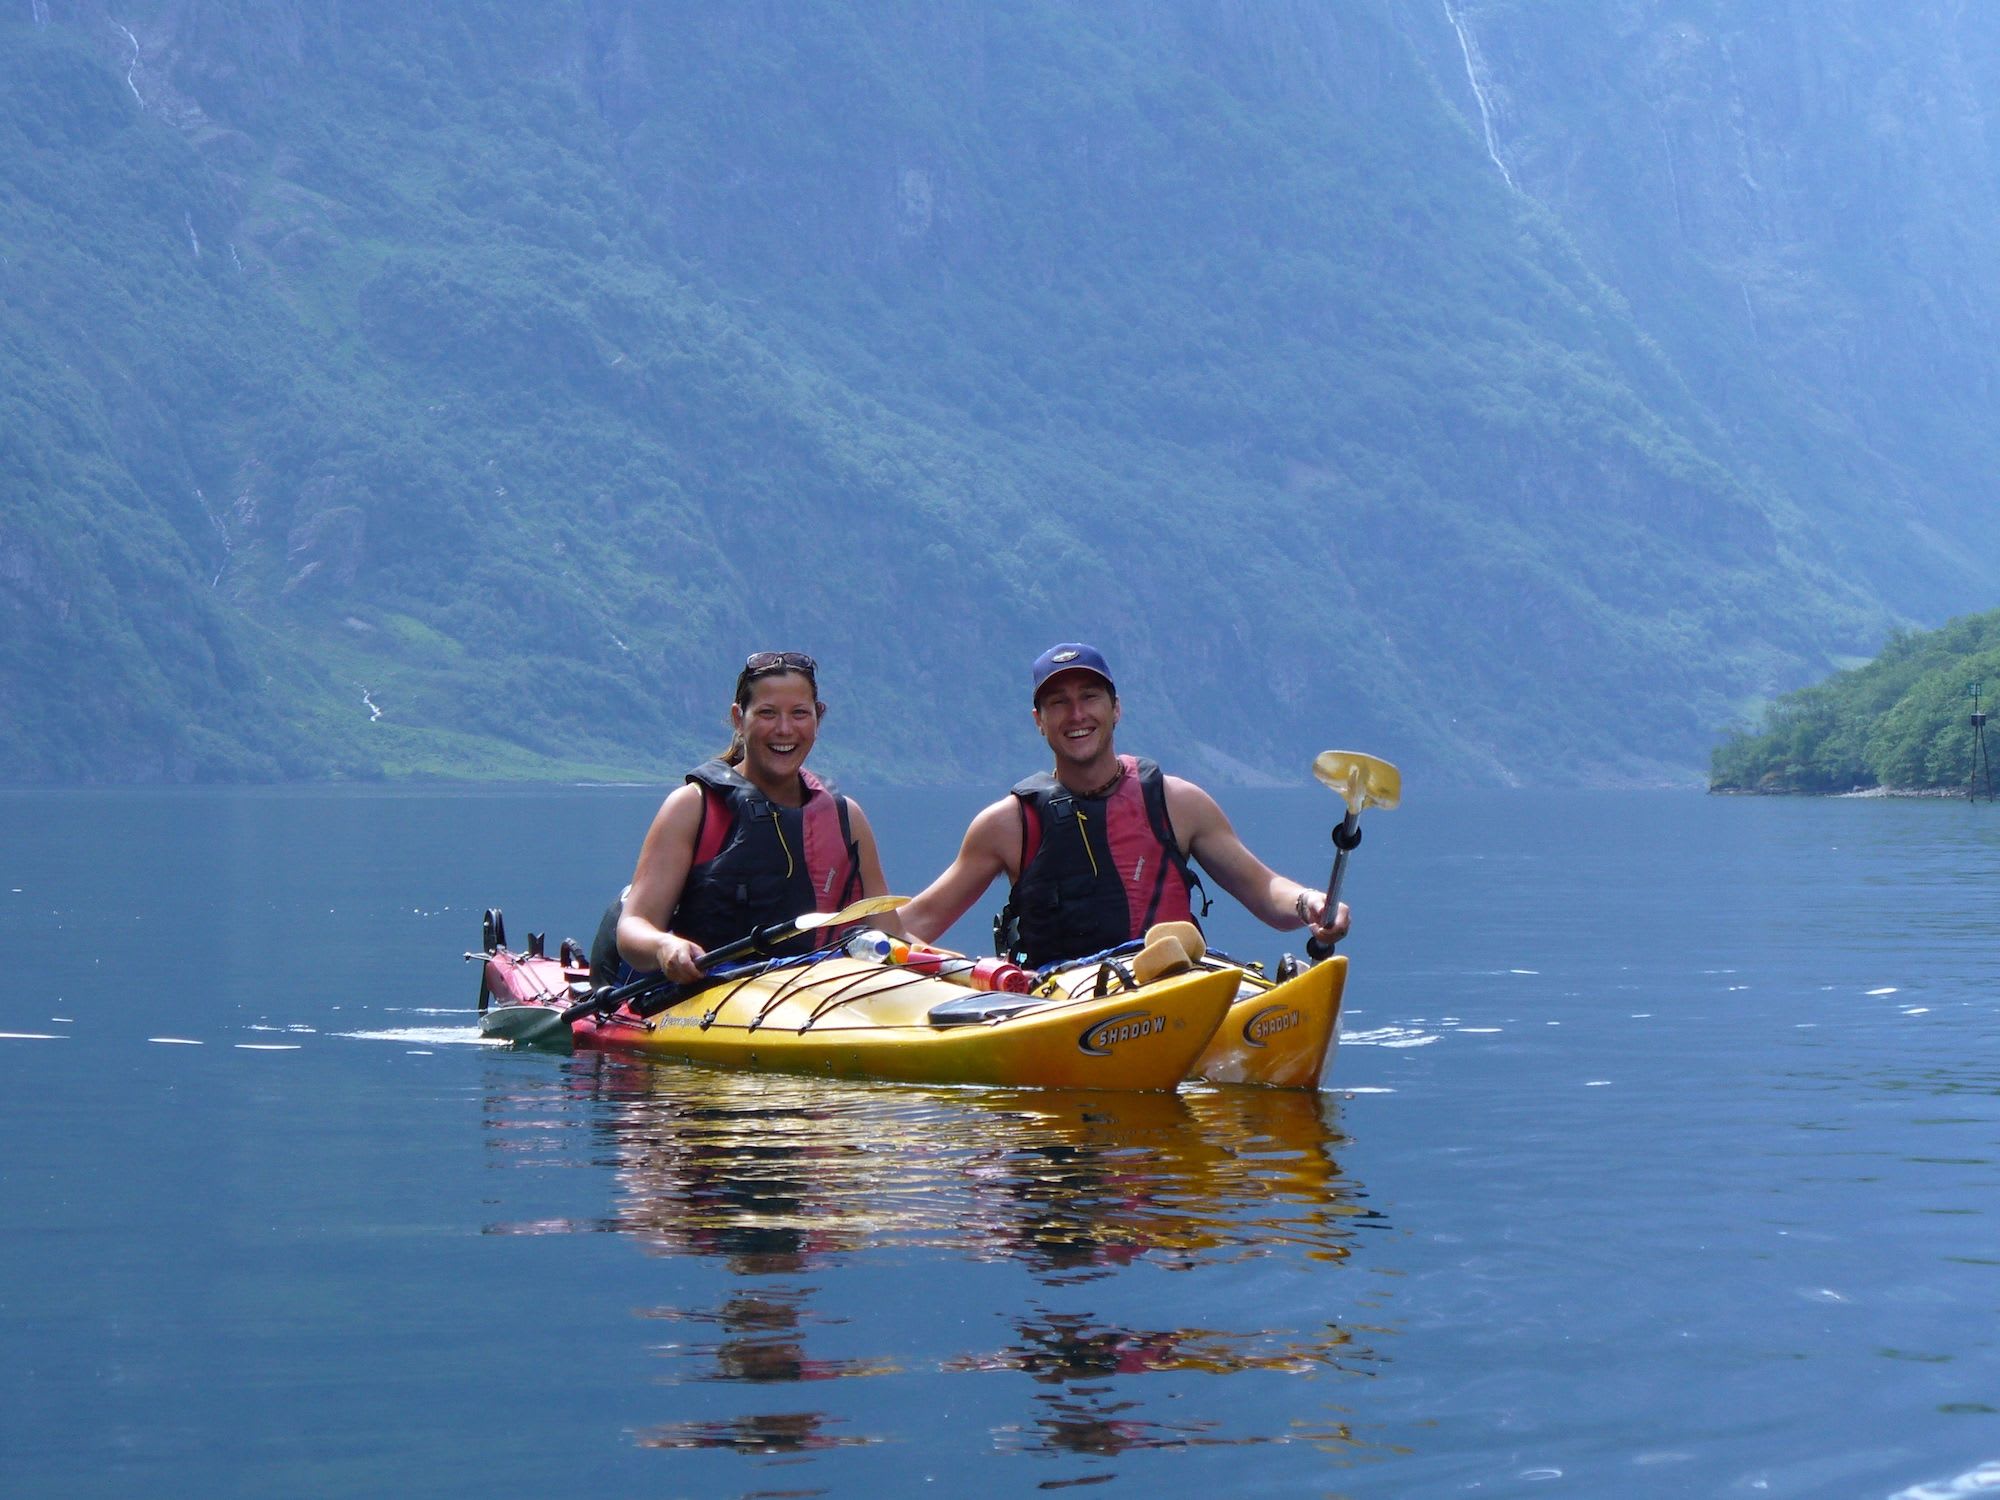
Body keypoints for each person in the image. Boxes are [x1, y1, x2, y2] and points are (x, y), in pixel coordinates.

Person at [890, 642, 1349, 967]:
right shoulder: (1005, 825)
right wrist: (849, 937)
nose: (1076, 715)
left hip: (1177, 990)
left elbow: (1265, 892)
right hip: (1059, 1004)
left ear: (1116, 708)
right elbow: (919, 922)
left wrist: (1311, 903)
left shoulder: (1179, 802)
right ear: (1039, 721)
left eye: (1089, 697)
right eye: (1058, 703)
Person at [601, 651, 891, 985]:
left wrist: (951, 967)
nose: (785, 729)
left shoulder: (847, 819)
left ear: (818, 717)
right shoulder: (692, 807)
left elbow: (892, 932)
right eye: (767, 713)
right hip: (706, 998)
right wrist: (665, 945)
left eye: (799, 714)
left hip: (817, 998)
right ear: (739, 718)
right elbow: (632, 927)